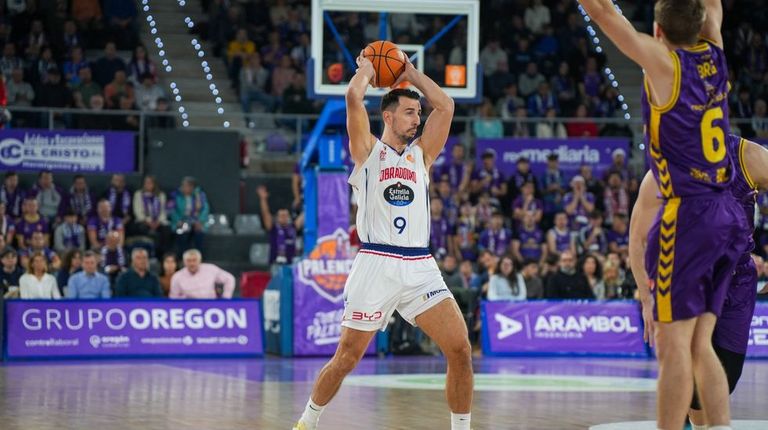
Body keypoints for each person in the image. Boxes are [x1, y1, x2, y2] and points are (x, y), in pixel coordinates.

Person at [580, 0, 740, 426]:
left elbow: (604, 13)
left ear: (657, 31)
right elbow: (713, 6)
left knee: (673, 348)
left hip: (688, 214)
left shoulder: (665, 64)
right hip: (727, 211)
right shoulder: (715, 52)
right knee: (700, 344)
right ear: (703, 22)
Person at [293, 51, 472, 430]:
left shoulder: (421, 156)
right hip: (376, 263)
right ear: (388, 117)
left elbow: (446, 105)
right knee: (347, 357)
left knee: (459, 348)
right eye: (409, 112)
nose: (417, 119)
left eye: (418, 113)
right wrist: (367, 70)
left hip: (420, 266)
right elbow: (352, 97)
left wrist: (410, 72)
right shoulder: (368, 152)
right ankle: (307, 421)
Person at [630, 135, 764, 430]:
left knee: (727, 375)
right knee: (689, 363)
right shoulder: (663, 173)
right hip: (688, 278)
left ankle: (693, 418)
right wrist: (646, 299)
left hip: (737, 279)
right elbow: (637, 240)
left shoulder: (748, 156)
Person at [257, 185, 302, 265]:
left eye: (286, 215)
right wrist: (263, 199)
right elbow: (265, 213)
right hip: (276, 264)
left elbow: (305, 214)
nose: (284, 218)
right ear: (277, 218)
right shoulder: (273, 227)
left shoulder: (293, 227)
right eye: (281, 216)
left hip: (291, 264)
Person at [168, 177, 210, 256]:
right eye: (183, 186)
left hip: (196, 221)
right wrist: (178, 221)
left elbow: (205, 209)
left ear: (192, 187)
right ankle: (182, 257)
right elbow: (171, 210)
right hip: (182, 221)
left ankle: (198, 257)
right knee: (182, 233)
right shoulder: (176, 195)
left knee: (199, 234)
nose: (184, 188)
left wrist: (200, 221)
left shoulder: (199, 196)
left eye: (187, 186)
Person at [169, 249, 235, 299]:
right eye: (189, 261)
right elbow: (173, 298)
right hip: (188, 307)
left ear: (200, 260)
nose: (192, 264)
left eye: (194, 260)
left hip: (210, 304)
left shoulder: (211, 269)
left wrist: (226, 298)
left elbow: (229, 279)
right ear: (184, 262)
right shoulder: (177, 276)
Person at [132, 175, 171, 256]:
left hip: (158, 222)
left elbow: (163, 211)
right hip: (144, 221)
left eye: (150, 183)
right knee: (145, 229)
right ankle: (151, 254)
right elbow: (138, 211)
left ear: (154, 184)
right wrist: (148, 222)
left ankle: (163, 255)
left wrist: (158, 222)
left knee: (166, 230)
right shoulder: (138, 194)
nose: (148, 185)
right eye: (146, 183)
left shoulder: (161, 195)